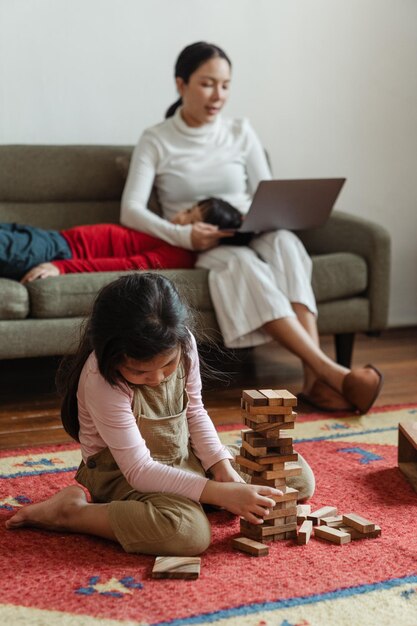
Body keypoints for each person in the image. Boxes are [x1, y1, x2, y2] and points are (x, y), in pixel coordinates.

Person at [119, 41, 383, 414]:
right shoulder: (157, 139)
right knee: (242, 265)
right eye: (207, 84)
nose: (218, 95)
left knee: (287, 244)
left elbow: (267, 190)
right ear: (181, 84)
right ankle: (333, 375)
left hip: (251, 226)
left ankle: (314, 381)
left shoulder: (241, 131)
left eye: (226, 85)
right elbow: (130, 211)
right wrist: (185, 235)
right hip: (205, 242)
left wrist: (265, 219)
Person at [5, 273, 315, 555]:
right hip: (123, 475)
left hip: (182, 457)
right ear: (110, 355)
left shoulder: (184, 343)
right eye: (139, 371)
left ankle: (197, 497)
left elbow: (195, 411)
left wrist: (223, 469)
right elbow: (139, 470)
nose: (157, 379)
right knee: (187, 534)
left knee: (298, 476)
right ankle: (72, 513)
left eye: (167, 365)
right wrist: (220, 493)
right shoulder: (101, 379)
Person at [0, 198, 240, 283]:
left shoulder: (178, 254)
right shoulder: (165, 232)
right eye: (188, 210)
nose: (181, 216)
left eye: (190, 219)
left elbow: (124, 266)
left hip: (59, 251)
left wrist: (61, 267)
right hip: (53, 238)